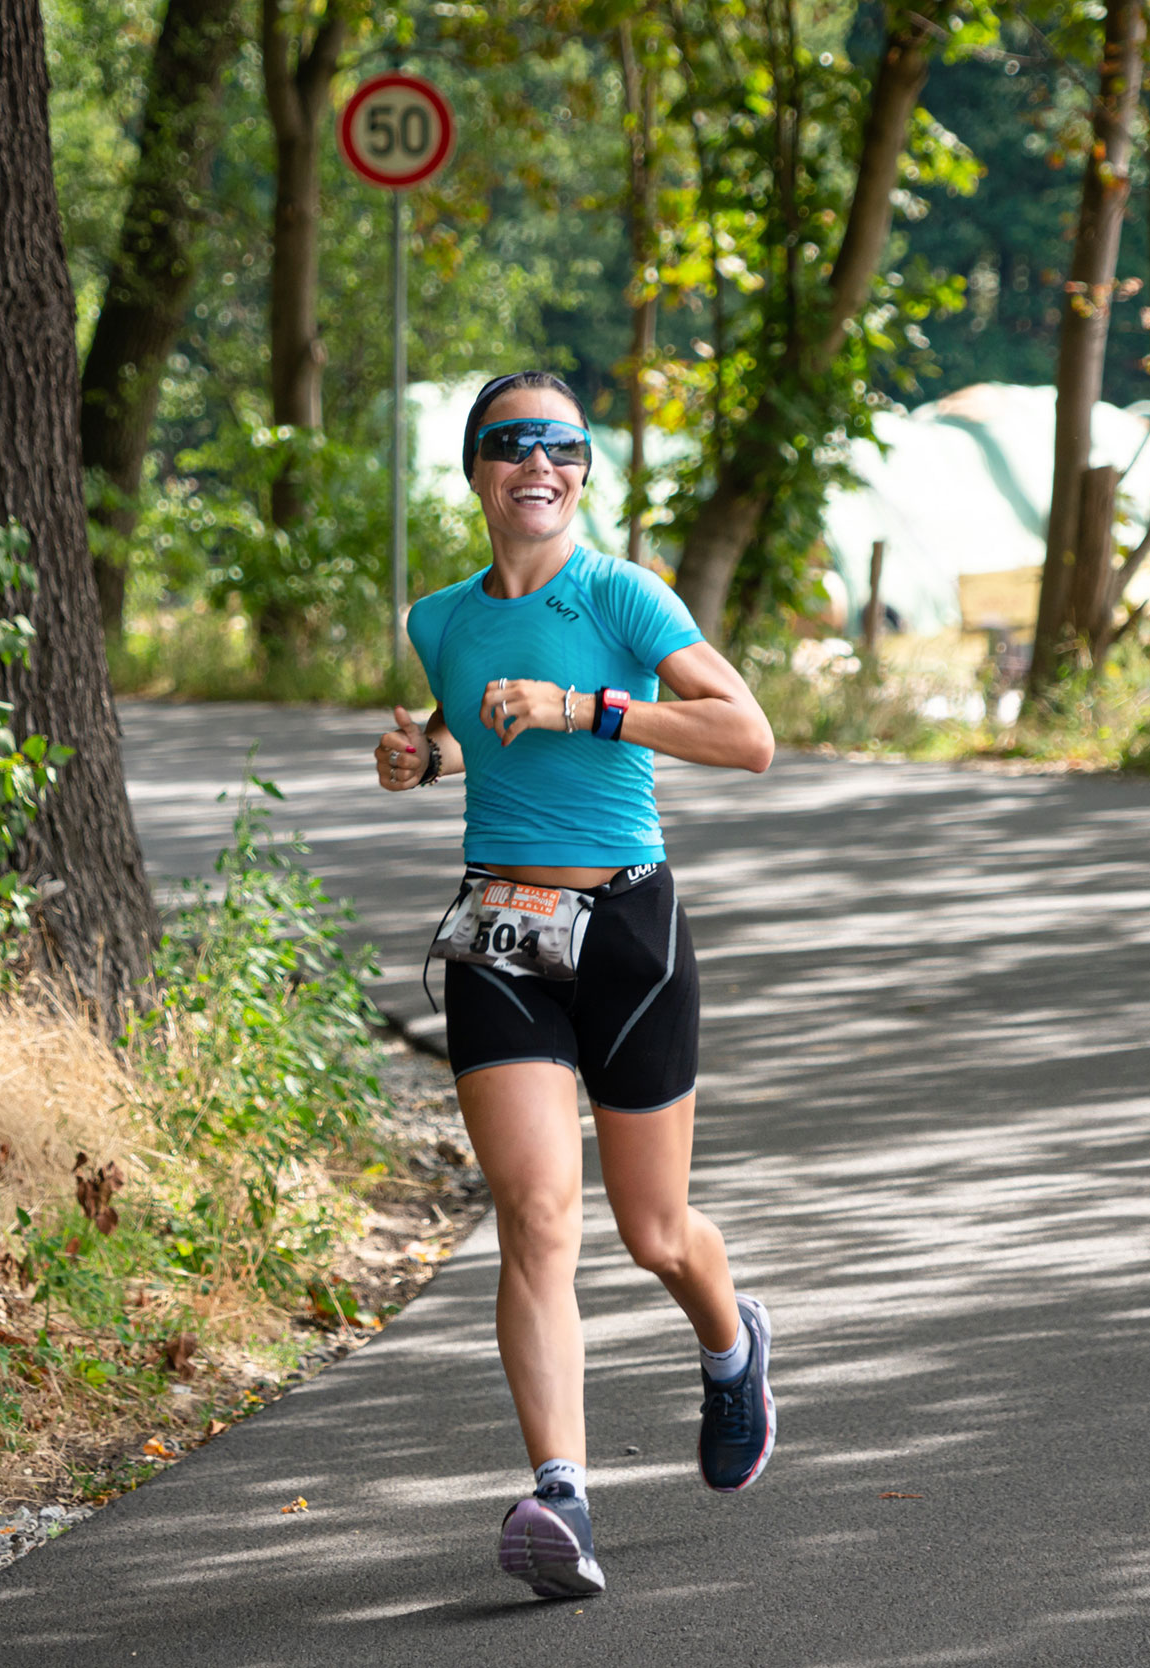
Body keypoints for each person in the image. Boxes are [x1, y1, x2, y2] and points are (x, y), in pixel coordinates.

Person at [371, 371, 777, 1601]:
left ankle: (730, 1342)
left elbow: (746, 736)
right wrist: (426, 751)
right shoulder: (438, 617)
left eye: (559, 445)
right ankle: (562, 1499)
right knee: (537, 1213)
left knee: (654, 1231)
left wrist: (590, 708)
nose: (534, 463)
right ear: (476, 471)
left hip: (628, 927)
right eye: (509, 444)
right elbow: (474, 724)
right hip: (500, 932)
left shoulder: (621, 596)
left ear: (584, 471)